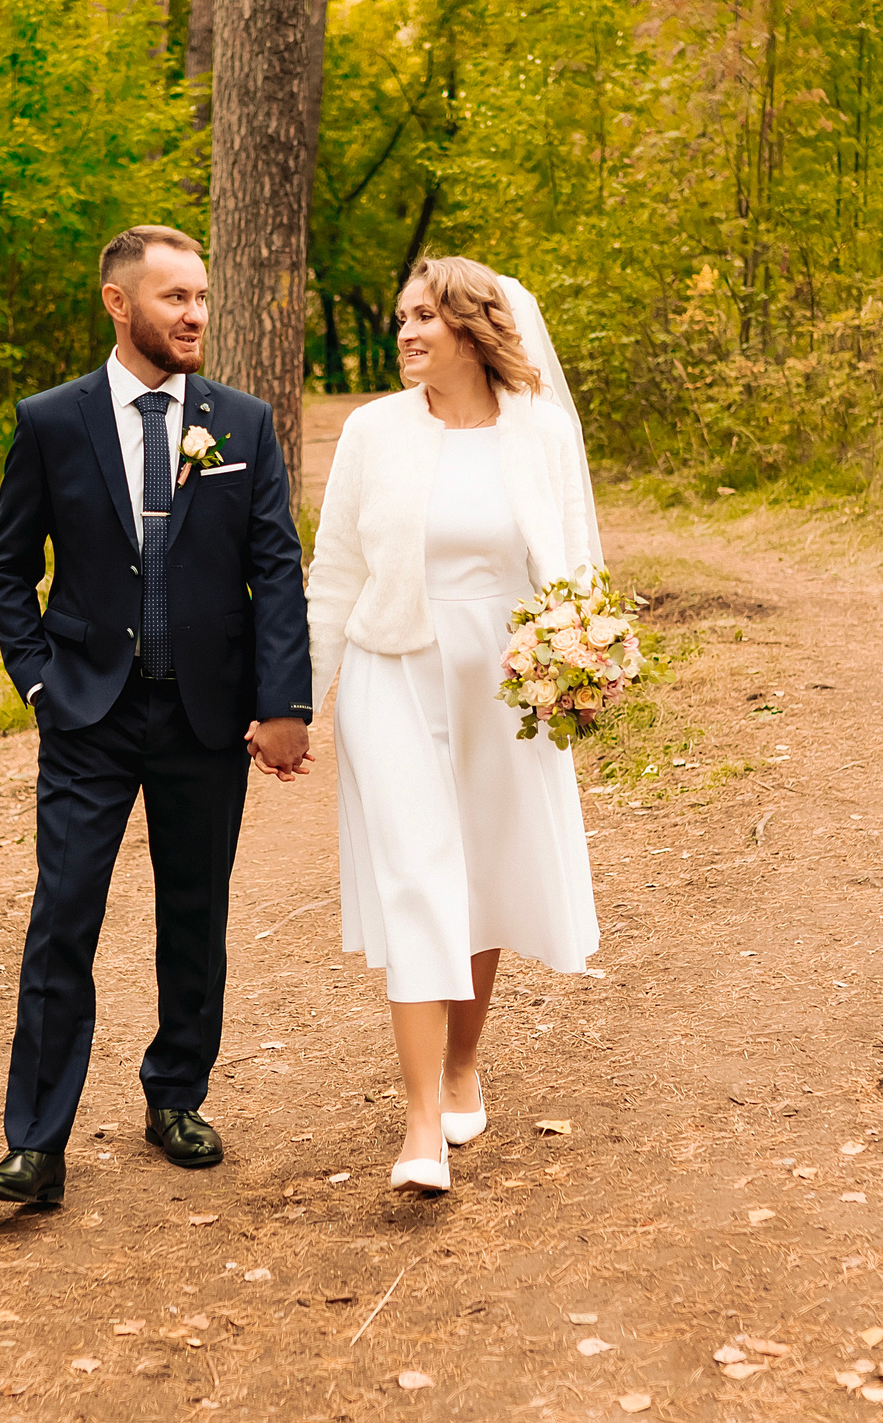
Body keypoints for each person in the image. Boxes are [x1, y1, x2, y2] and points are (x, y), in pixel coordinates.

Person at [0, 225, 315, 1208]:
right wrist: (38, 680)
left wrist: (281, 701)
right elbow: (8, 567)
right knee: (62, 916)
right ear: (119, 305)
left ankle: (175, 1093)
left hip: (205, 714)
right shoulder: (51, 421)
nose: (195, 313)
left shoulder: (240, 425)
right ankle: (35, 1142)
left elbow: (274, 571)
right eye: (174, 297)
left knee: (193, 914)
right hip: (88, 712)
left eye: (201, 295)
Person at [304, 256, 602, 1195]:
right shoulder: (371, 433)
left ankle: (465, 1063)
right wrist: (298, 702)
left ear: (476, 327)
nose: (406, 332)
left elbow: (577, 564)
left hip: (505, 682)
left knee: (482, 873)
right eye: (400, 317)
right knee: (421, 880)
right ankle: (421, 1120)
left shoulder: (540, 433)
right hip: (393, 671)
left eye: (425, 316)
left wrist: (581, 663)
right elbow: (336, 573)